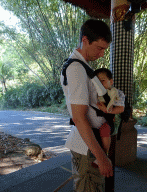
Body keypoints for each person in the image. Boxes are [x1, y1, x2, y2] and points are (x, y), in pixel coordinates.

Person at [60, 19, 113, 192]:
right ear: (85, 40)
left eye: (104, 49)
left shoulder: (82, 66)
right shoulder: (76, 69)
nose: (102, 54)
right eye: (99, 48)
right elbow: (79, 117)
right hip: (88, 146)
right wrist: (101, 157)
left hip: (89, 143)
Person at [92, 68, 125, 167]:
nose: (100, 83)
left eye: (102, 80)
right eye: (97, 81)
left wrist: (106, 110)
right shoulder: (95, 93)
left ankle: (103, 155)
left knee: (104, 129)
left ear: (111, 81)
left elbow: (121, 109)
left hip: (112, 121)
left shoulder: (117, 93)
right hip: (99, 121)